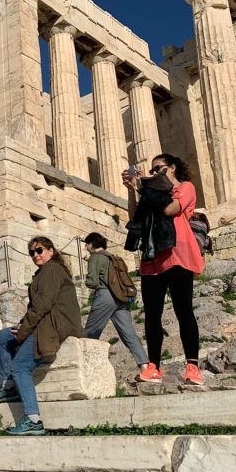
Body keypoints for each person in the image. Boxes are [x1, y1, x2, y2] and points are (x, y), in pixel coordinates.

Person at [0, 236, 85, 435]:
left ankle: (33, 420)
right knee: (3, 336)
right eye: (32, 252)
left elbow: (43, 305)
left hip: (54, 325)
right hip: (44, 321)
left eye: (39, 250)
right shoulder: (43, 273)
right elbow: (37, 306)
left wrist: (24, 330)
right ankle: (8, 386)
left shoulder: (52, 270)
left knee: (21, 366)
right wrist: (23, 325)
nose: (35, 255)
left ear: (50, 250)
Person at [122, 154, 206, 385]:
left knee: (183, 311)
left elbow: (171, 210)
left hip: (178, 254)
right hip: (153, 256)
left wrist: (145, 187)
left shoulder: (185, 187)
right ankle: (153, 367)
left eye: (159, 169)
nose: (156, 173)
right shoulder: (151, 193)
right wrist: (133, 189)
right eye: (153, 170)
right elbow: (134, 216)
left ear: (173, 168)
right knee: (151, 315)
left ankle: (192, 367)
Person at [82, 232, 149, 374]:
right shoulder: (113, 257)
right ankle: (145, 367)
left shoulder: (95, 258)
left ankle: (86, 370)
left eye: (86, 244)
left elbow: (92, 282)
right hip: (121, 297)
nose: (86, 247)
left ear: (91, 244)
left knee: (90, 332)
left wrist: (86, 280)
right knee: (129, 334)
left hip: (105, 296)